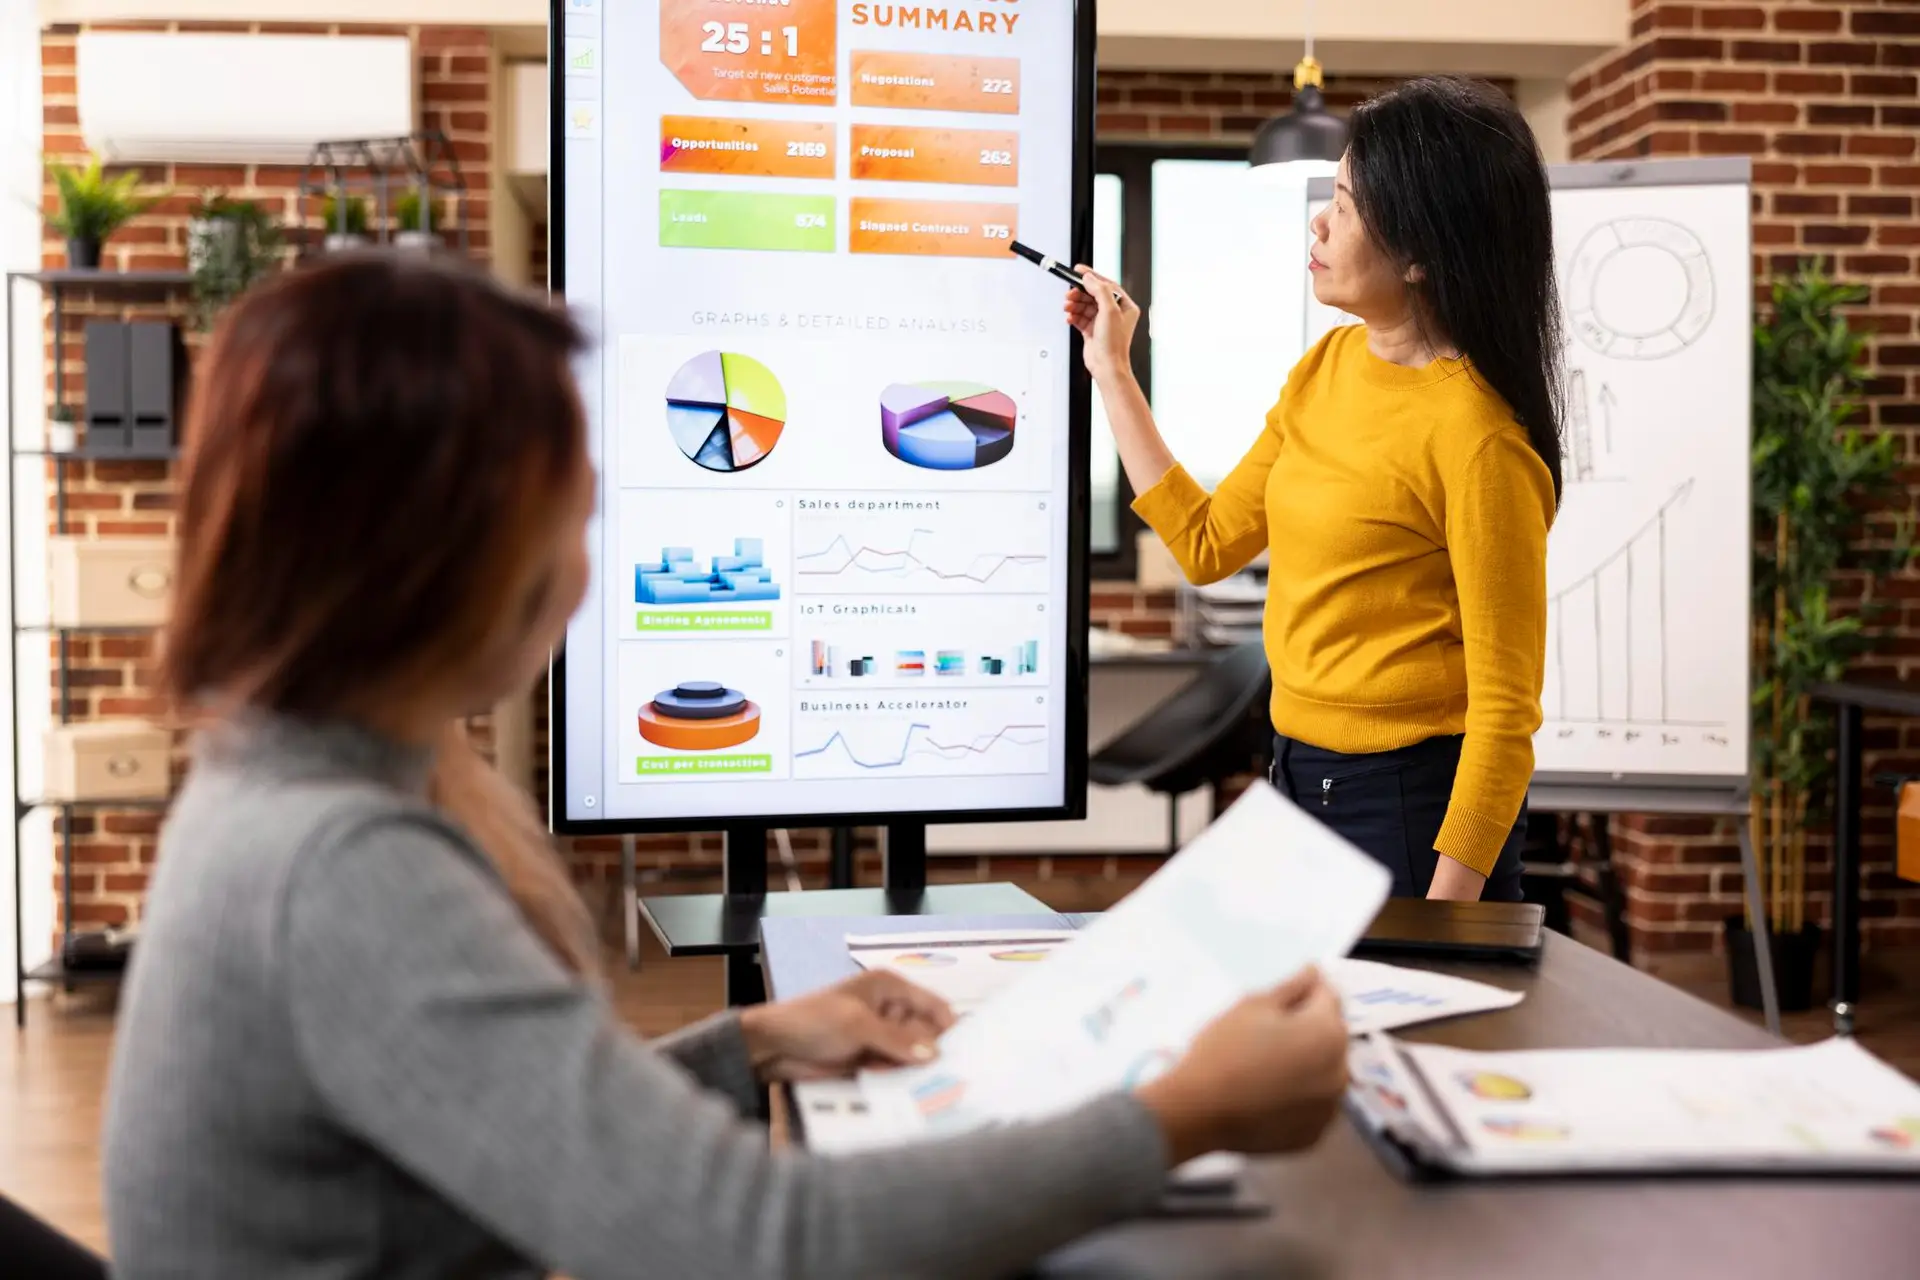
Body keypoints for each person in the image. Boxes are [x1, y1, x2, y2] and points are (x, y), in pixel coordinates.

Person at [101, 252, 1352, 1280]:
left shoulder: (279, 791)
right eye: (568, 519)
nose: (584, 572)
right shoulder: (342, 868)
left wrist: (753, 1037)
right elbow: (770, 1239)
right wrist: (1186, 1112)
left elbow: (522, 1117)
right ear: (432, 551)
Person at [1067, 76, 1562, 904]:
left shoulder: (1478, 437)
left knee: (1410, 1033)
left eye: (1346, 202)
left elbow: (1505, 715)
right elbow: (1205, 543)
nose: (1319, 222)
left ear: (1421, 252)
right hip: (1297, 780)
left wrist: (1448, 911)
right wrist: (1112, 367)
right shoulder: (1326, 367)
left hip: (1410, 812)